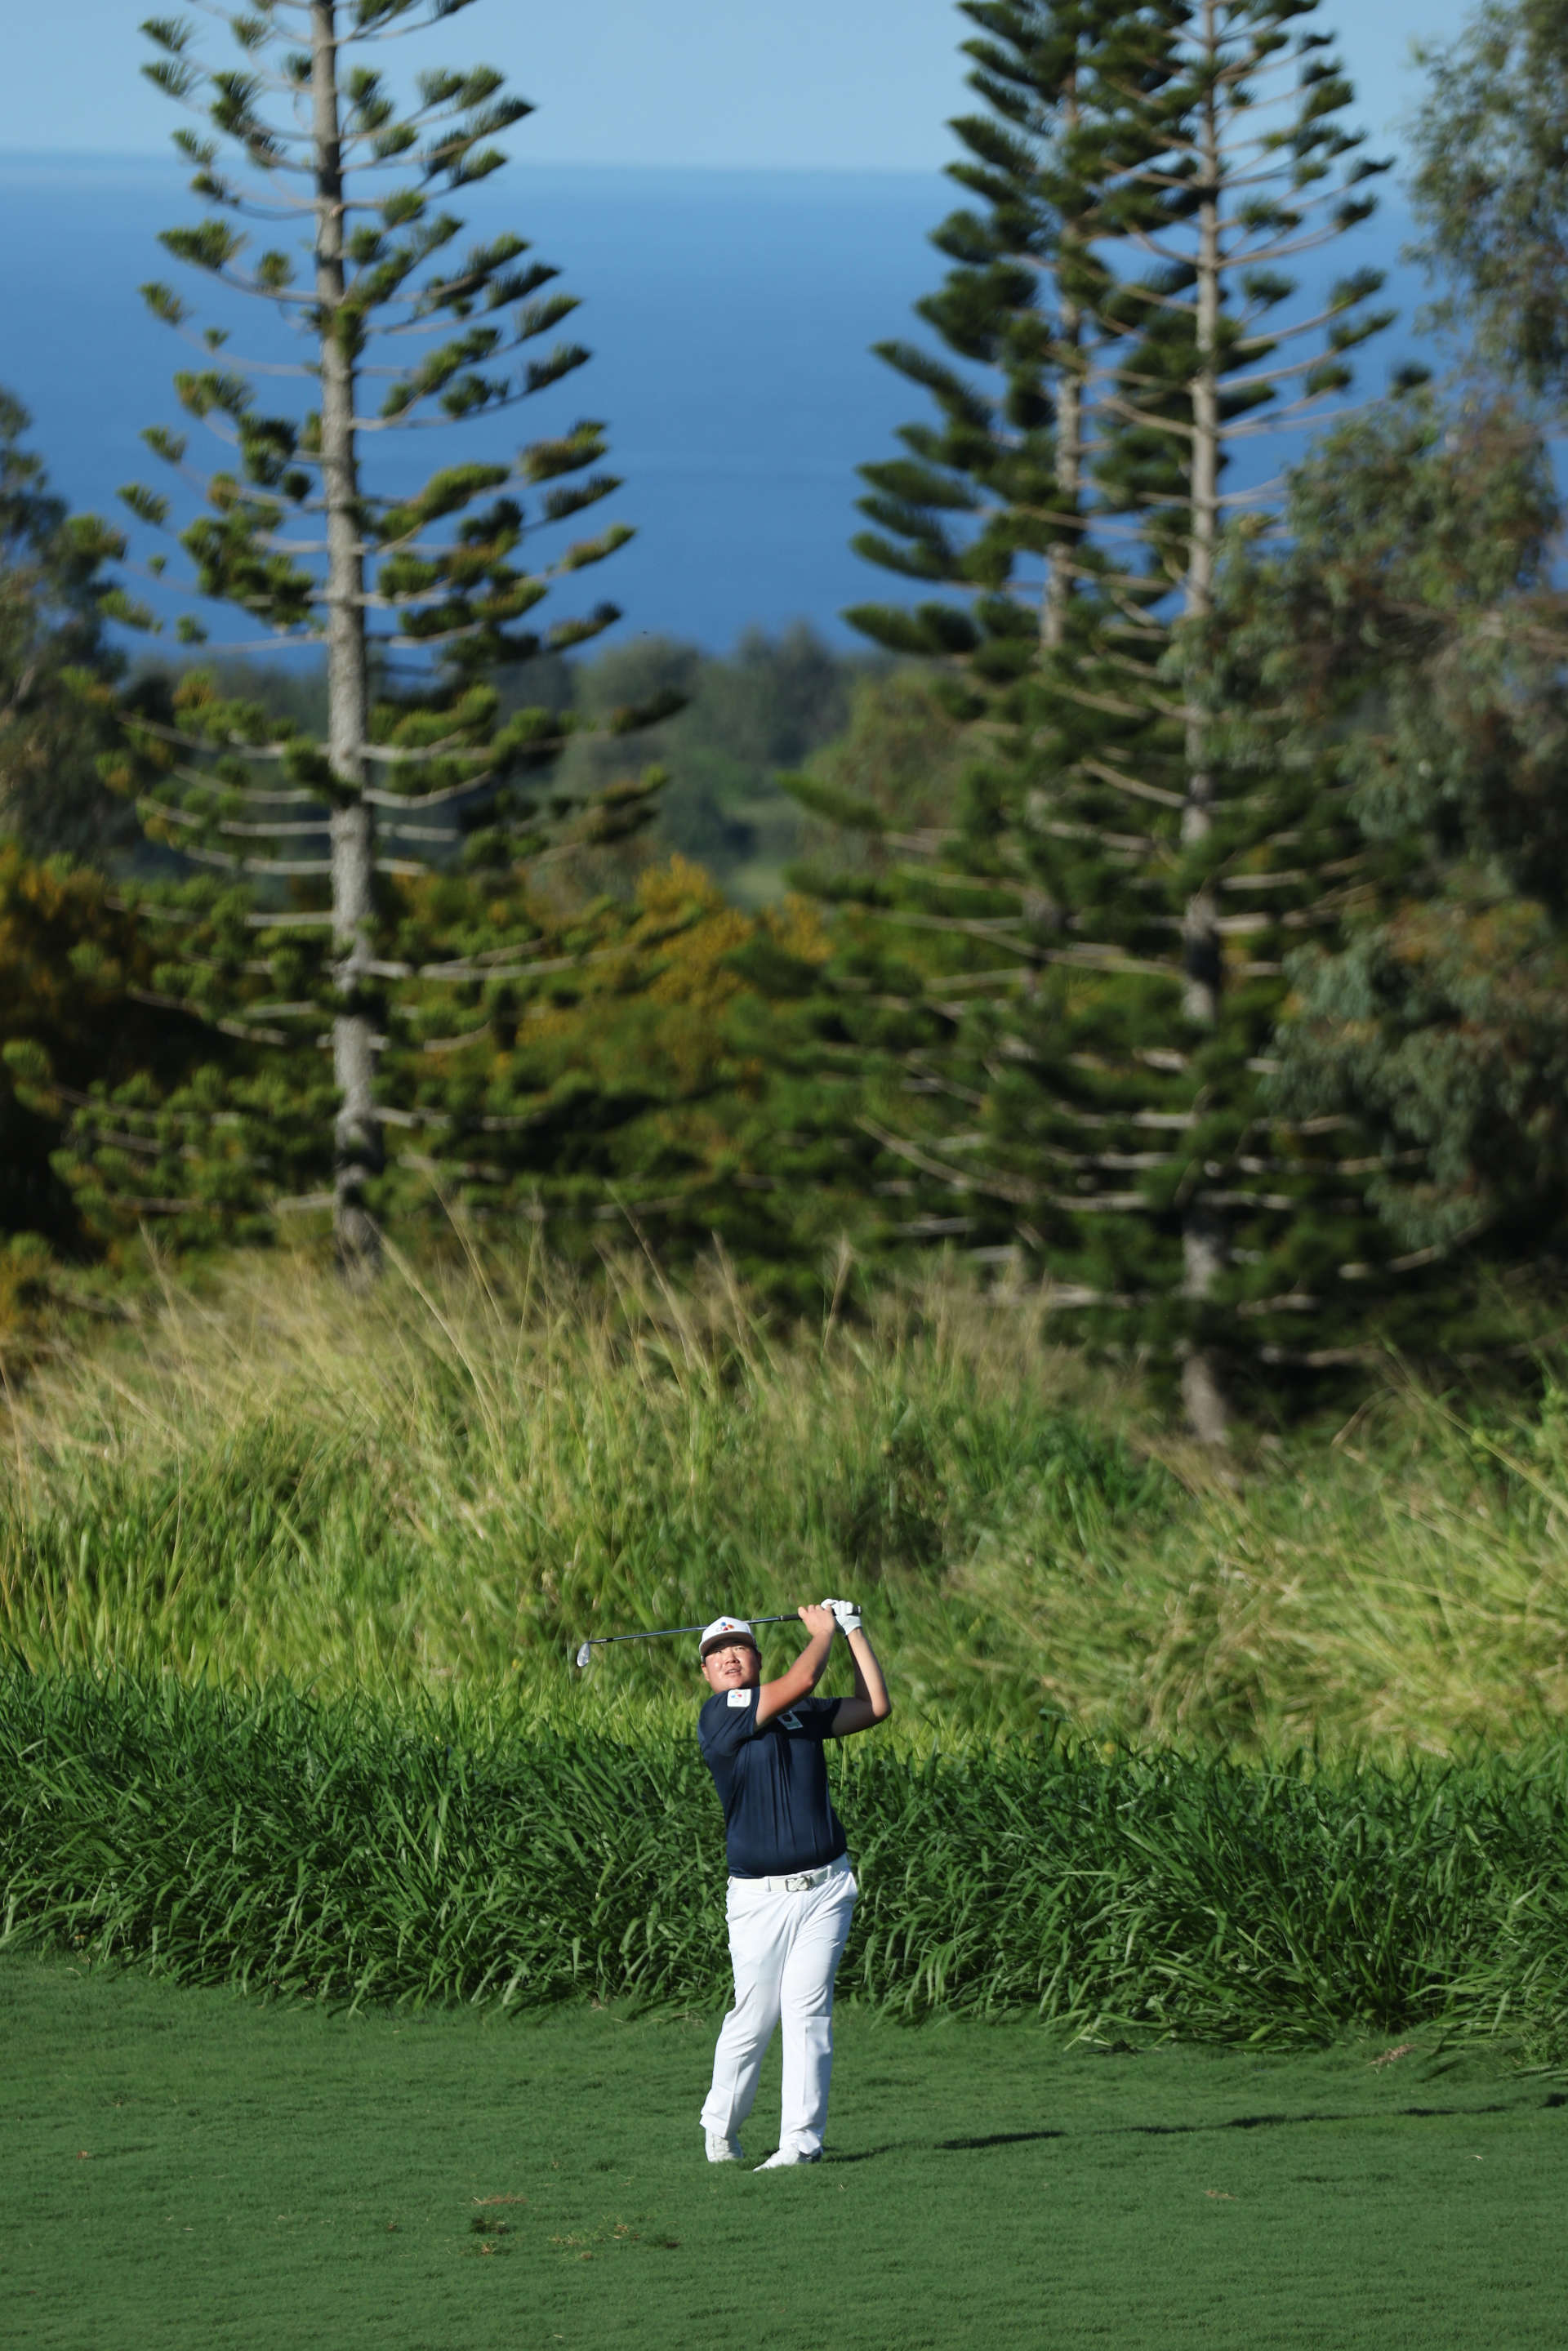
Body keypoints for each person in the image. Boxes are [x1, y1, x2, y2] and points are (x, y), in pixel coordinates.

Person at [695, 1596, 892, 2171]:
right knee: (754, 2017)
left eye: (738, 1647)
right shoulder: (719, 1715)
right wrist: (823, 1631)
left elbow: (874, 1705)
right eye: (716, 1653)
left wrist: (854, 1630)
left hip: (826, 1887)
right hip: (759, 1899)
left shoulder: (800, 1713)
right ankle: (720, 2125)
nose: (728, 1656)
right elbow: (805, 1673)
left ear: (756, 1656)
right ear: (706, 1672)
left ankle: (800, 2144)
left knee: (808, 2010)